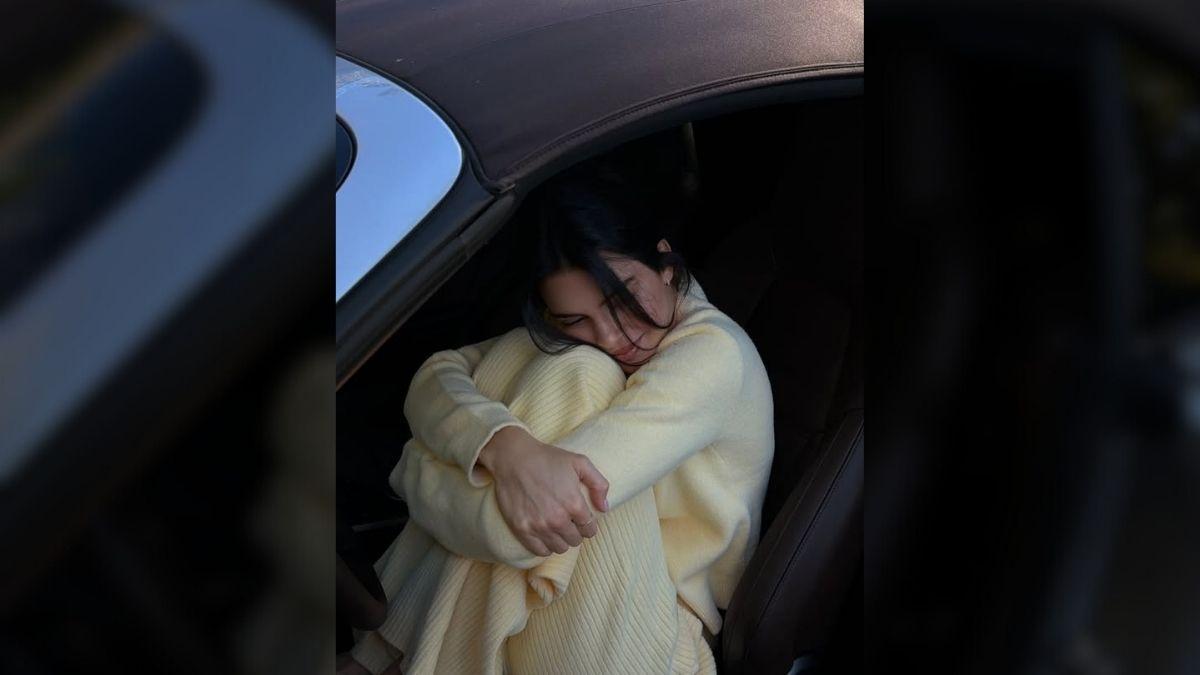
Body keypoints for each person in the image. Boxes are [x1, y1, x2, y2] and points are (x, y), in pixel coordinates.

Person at [339, 177, 774, 675]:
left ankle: (383, 660)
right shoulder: (582, 336)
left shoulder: (713, 356)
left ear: (666, 263)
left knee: (575, 391)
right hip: (579, 608)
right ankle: (391, 660)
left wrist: (414, 468)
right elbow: (437, 374)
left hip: (655, 643)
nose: (612, 336)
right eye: (576, 319)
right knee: (538, 366)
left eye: (623, 297)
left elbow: (515, 533)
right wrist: (506, 448)